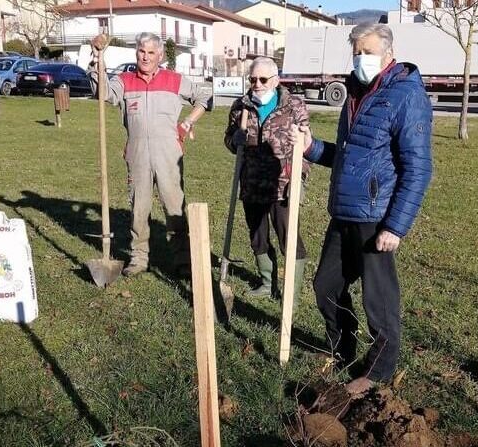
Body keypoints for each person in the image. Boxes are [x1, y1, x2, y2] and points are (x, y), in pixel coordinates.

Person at [293, 23, 433, 395]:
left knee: (379, 301)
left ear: (388, 52)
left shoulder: (405, 95)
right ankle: (344, 350)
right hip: (344, 212)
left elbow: (418, 168)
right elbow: (351, 158)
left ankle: (377, 372)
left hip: (377, 217)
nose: (360, 58)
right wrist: (311, 148)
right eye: (356, 51)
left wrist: (395, 227)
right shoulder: (356, 91)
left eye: (367, 51)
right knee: (326, 286)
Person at [88, 32, 211, 277]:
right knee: (139, 208)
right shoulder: (124, 80)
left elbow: (204, 96)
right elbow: (102, 93)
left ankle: (183, 259)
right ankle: (139, 258)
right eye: (142, 52)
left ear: (160, 56)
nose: (145, 57)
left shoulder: (174, 80)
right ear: (137, 53)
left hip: (168, 153)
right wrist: (96, 60)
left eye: (151, 53)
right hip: (137, 153)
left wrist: (187, 123)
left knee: (174, 206)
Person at [224, 57, 310, 300]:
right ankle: (266, 283)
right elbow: (229, 140)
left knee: (288, 236)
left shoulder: (293, 106)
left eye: (263, 79)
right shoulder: (240, 106)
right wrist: (234, 141)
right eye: (252, 79)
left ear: (276, 80)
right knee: (257, 235)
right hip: (251, 182)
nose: (257, 84)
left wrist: (300, 178)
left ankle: (291, 289)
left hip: (283, 184)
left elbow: (306, 146)